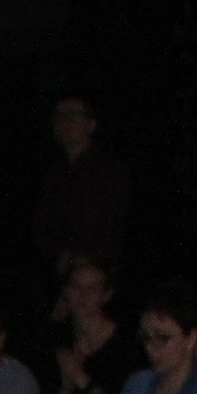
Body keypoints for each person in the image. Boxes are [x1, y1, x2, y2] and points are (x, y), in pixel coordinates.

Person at [33, 92, 130, 274]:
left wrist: (85, 257)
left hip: (96, 269)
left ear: (91, 124)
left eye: (72, 115)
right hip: (59, 267)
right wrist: (57, 254)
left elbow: (111, 222)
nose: (64, 121)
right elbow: (43, 223)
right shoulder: (54, 172)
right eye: (59, 115)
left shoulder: (108, 169)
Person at [45, 255, 144, 394]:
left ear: (106, 295)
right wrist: (67, 387)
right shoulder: (57, 338)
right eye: (76, 286)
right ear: (65, 290)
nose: (83, 294)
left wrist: (79, 376)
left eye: (92, 288)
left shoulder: (126, 344)